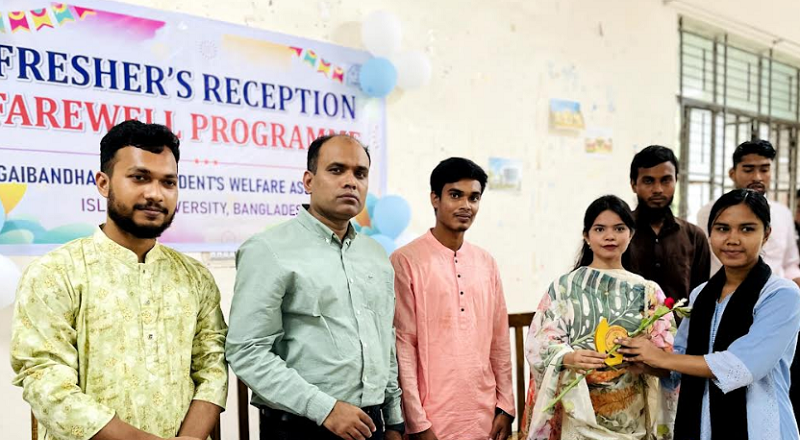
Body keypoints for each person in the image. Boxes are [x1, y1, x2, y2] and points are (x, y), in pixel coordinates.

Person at [10, 120, 229, 440]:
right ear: (103, 183)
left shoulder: (195, 277)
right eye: (139, 177)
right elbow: (46, 384)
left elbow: (212, 369)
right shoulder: (55, 273)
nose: (155, 193)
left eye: (168, 182)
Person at [226, 134, 404, 440]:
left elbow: (383, 339)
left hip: (370, 424)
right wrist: (325, 409)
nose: (350, 182)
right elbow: (246, 350)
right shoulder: (268, 250)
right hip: (299, 426)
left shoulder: (375, 255)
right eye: (336, 170)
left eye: (360, 174)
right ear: (309, 181)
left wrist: (394, 418)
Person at [619, 189, 800, 440]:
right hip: (699, 427)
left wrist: (660, 358)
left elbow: (741, 366)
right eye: (722, 229)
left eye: (747, 229)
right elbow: (680, 361)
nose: (733, 239)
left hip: (759, 429)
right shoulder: (701, 294)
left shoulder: (781, 295)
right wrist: (647, 364)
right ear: (710, 233)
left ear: (766, 234)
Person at [523, 195, 676, 440]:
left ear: (631, 234)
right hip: (577, 411)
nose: (609, 236)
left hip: (630, 411)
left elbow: (669, 355)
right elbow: (538, 344)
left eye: (619, 228)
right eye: (600, 229)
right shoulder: (564, 287)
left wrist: (646, 359)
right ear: (586, 236)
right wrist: (568, 357)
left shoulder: (648, 291)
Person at [391, 158, 515, 440]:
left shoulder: (486, 263)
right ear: (435, 198)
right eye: (455, 195)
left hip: (484, 415)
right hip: (432, 418)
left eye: (474, 197)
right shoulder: (406, 261)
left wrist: (506, 407)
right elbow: (403, 347)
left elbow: (499, 342)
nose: (466, 206)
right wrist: (417, 422)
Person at [695, 140, 800, 282]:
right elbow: (703, 262)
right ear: (732, 173)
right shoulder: (710, 212)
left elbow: (790, 264)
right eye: (748, 170)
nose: (757, 177)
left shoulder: (783, 214)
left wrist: (794, 282)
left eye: (764, 170)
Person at [626, 145, 710, 302]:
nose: (658, 189)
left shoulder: (694, 237)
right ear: (633, 184)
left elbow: (701, 298)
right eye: (648, 181)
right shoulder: (619, 234)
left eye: (666, 180)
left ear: (676, 181)